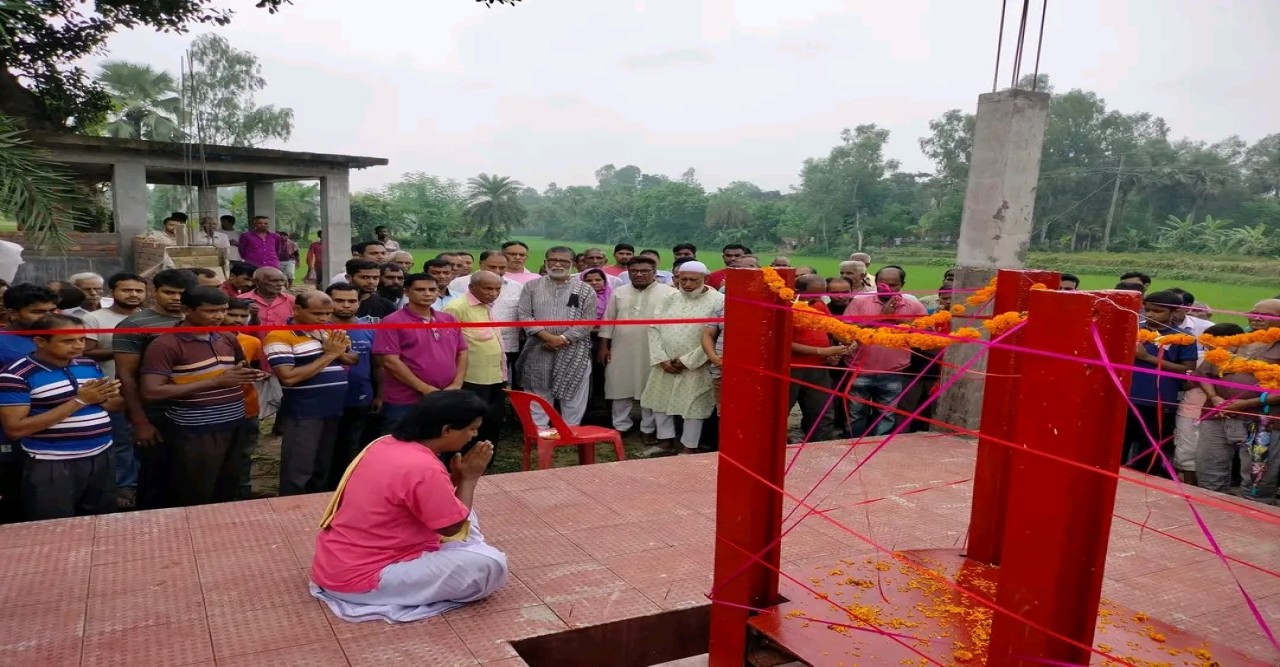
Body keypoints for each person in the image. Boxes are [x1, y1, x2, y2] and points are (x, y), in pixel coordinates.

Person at [309, 391, 506, 623]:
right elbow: (452, 528)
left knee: (465, 511)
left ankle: (457, 553)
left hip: (335, 563)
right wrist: (468, 479)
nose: (474, 435)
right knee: (490, 565)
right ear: (447, 430)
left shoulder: (384, 443)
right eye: (471, 429)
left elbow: (417, 497)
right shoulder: (423, 465)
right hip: (363, 577)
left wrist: (455, 478)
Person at [140, 286, 268, 506]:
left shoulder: (227, 338)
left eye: (223, 311)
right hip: (195, 430)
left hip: (235, 422)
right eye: (211, 311)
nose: (219, 317)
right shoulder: (166, 344)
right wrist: (214, 381)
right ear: (187, 310)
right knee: (195, 489)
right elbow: (152, 391)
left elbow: (238, 370)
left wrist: (252, 374)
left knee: (227, 484)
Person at [0, 314, 123, 520]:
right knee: (55, 524)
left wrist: (110, 397)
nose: (77, 346)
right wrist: (80, 401)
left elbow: (115, 405)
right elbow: (15, 429)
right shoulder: (15, 375)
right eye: (68, 340)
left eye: (82, 339)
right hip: (52, 462)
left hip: (101, 454)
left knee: (103, 518)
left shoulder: (87, 364)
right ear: (40, 341)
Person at [112, 269, 196, 509]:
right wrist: (140, 422)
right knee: (155, 477)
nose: (176, 299)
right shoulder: (134, 324)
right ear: (154, 292)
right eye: (169, 293)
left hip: (194, 412)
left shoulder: (198, 319)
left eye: (182, 294)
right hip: (154, 412)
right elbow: (126, 377)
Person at [266, 291, 355, 496]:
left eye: (327, 313)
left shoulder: (329, 330)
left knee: (321, 465)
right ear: (297, 310)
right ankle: (290, 509)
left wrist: (340, 352)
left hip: (332, 409)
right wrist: (331, 354)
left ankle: (315, 506)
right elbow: (288, 377)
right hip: (303, 411)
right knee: (298, 467)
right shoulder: (279, 336)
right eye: (317, 314)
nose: (324, 319)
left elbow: (353, 359)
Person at [1196, 300, 1280, 504]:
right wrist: (1215, 397)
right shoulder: (1234, 340)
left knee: (1257, 479)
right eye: (1253, 312)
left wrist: (1245, 403)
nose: (1256, 317)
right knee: (1208, 468)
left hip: (1262, 421)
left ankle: (1252, 521)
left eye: (1264, 315)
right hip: (1217, 414)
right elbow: (1204, 374)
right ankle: (1211, 510)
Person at [640, 261, 724, 455]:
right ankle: (665, 442)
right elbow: (654, 328)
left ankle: (689, 447)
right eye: (682, 279)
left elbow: (715, 336)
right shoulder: (669, 298)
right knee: (659, 402)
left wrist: (687, 361)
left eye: (693, 280)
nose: (687, 284)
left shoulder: (718, 301)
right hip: (664, 362)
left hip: (696, 365)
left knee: (693, 407)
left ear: (706, 279)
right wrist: (661, 359)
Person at [82, 272, 147, 508]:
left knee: (144, 440)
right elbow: (83, 353)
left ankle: (144, 484)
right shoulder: (94, 319)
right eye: (127, 290)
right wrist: (125, 351)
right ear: (113, 292)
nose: (133, 294)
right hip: (112, 392)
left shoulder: (148, 319)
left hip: (145, 392)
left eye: (138, 290)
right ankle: (123, 489)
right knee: (121, 442)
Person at [375, 274, 468, 433]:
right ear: (407, 292)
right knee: (402, 447)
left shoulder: (448, 319)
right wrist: (425, 389)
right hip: (405, 400)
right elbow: (390, 361)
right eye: (420, 289)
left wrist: (457, 384)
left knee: (438, 443)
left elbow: (462, 353)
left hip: (445, 397)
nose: (427, 293)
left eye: (432, 289)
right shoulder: (392, 321)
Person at [516, 247, 596, 429]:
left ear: (573, 265)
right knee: (538, 391)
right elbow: (525, 315)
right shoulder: (532, 286)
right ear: (545, 262)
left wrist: (562, 338)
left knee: (573, 392)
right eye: (552, 260)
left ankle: (571, 430)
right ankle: (540, 431)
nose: (557, 264)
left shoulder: (585, 289)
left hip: (574, 350)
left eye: (564, 261)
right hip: (539, 347)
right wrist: (547, 337)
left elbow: (588, 320)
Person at [1123, 291, 1199, 478]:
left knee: (1149, 451)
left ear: (1174, 313)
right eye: (1147, 310)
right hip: (1125, 399)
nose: (1150, 315)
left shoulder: (1184, 338)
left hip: (1157, 403)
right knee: (1117, 447)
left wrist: (1147, 358)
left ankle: (1142, 488)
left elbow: (1187, 370)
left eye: (1157, 311)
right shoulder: (1132, 329)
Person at [843, 266, 927, 437]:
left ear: (902, 285)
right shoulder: (860, 301)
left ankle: (877, 449)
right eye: (882, 284)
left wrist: (898, 320)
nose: (887, 288)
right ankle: (853, 446)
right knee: (856, 413)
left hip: (894, 371)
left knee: (887, 415)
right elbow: (846, 330)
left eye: (893, 284)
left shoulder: (912, 304)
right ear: (876, 283)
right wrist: (880, 317)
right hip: (860, 370)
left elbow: (926, 333)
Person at [599, 255, 677, 437]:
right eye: (634, 271)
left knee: (649, 388)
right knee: (618, 386)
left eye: (644, 271)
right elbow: (608, 320)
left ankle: (647, 429)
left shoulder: (669, 293)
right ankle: (621, 426)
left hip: (654, 350)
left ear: (654, 273)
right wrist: (604, 346)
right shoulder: (619, 292)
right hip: (621, 348)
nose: (639, 274)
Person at [325, 283, 381, 490]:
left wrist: (380, 394)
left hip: (359, 398)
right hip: (323, 401)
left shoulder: (369, 330)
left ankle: (347, 487)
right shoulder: (318, 330)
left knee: (351, 446)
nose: (346, 305)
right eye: (339, 300)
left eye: (352, 301)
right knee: (324, 448)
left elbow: (378, 365)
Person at [444, 272, 508, 452]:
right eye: (487, 288)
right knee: (468, 424)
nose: (493, 293)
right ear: (472, 288)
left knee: (492, 423)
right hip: (471, 379)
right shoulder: (456, 308)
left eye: (497, 289)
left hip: (496, 376)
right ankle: (461, 463)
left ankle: (485, 463)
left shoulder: (487, 306)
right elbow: (448, 347)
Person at [789, 275, 845, 442]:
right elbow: (785, 343)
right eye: (813, 295)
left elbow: (830, 326)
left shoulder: (819, 304)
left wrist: (848, 339)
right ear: (797, 291)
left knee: (822, 413)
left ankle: (818, 449)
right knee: (779, 412)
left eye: (821, 294)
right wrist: (823, 351)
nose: (818, 299)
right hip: (791, 369)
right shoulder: (786, 306)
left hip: (818, 369)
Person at [224, 299, 267, 499]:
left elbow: (255, 368)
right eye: (232, 315)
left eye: (243, 316)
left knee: (245, 452)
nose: (238, 320)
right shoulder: (207, 340)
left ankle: (243, 489)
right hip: (216, 408)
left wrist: (258, 375)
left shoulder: (252, 342)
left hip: (247, 405)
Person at [243, 267, 296, 335]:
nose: (280, 284)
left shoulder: (291, 300)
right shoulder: (241, 299)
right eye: (274, 281)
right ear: (257, 282)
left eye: (282, 281)